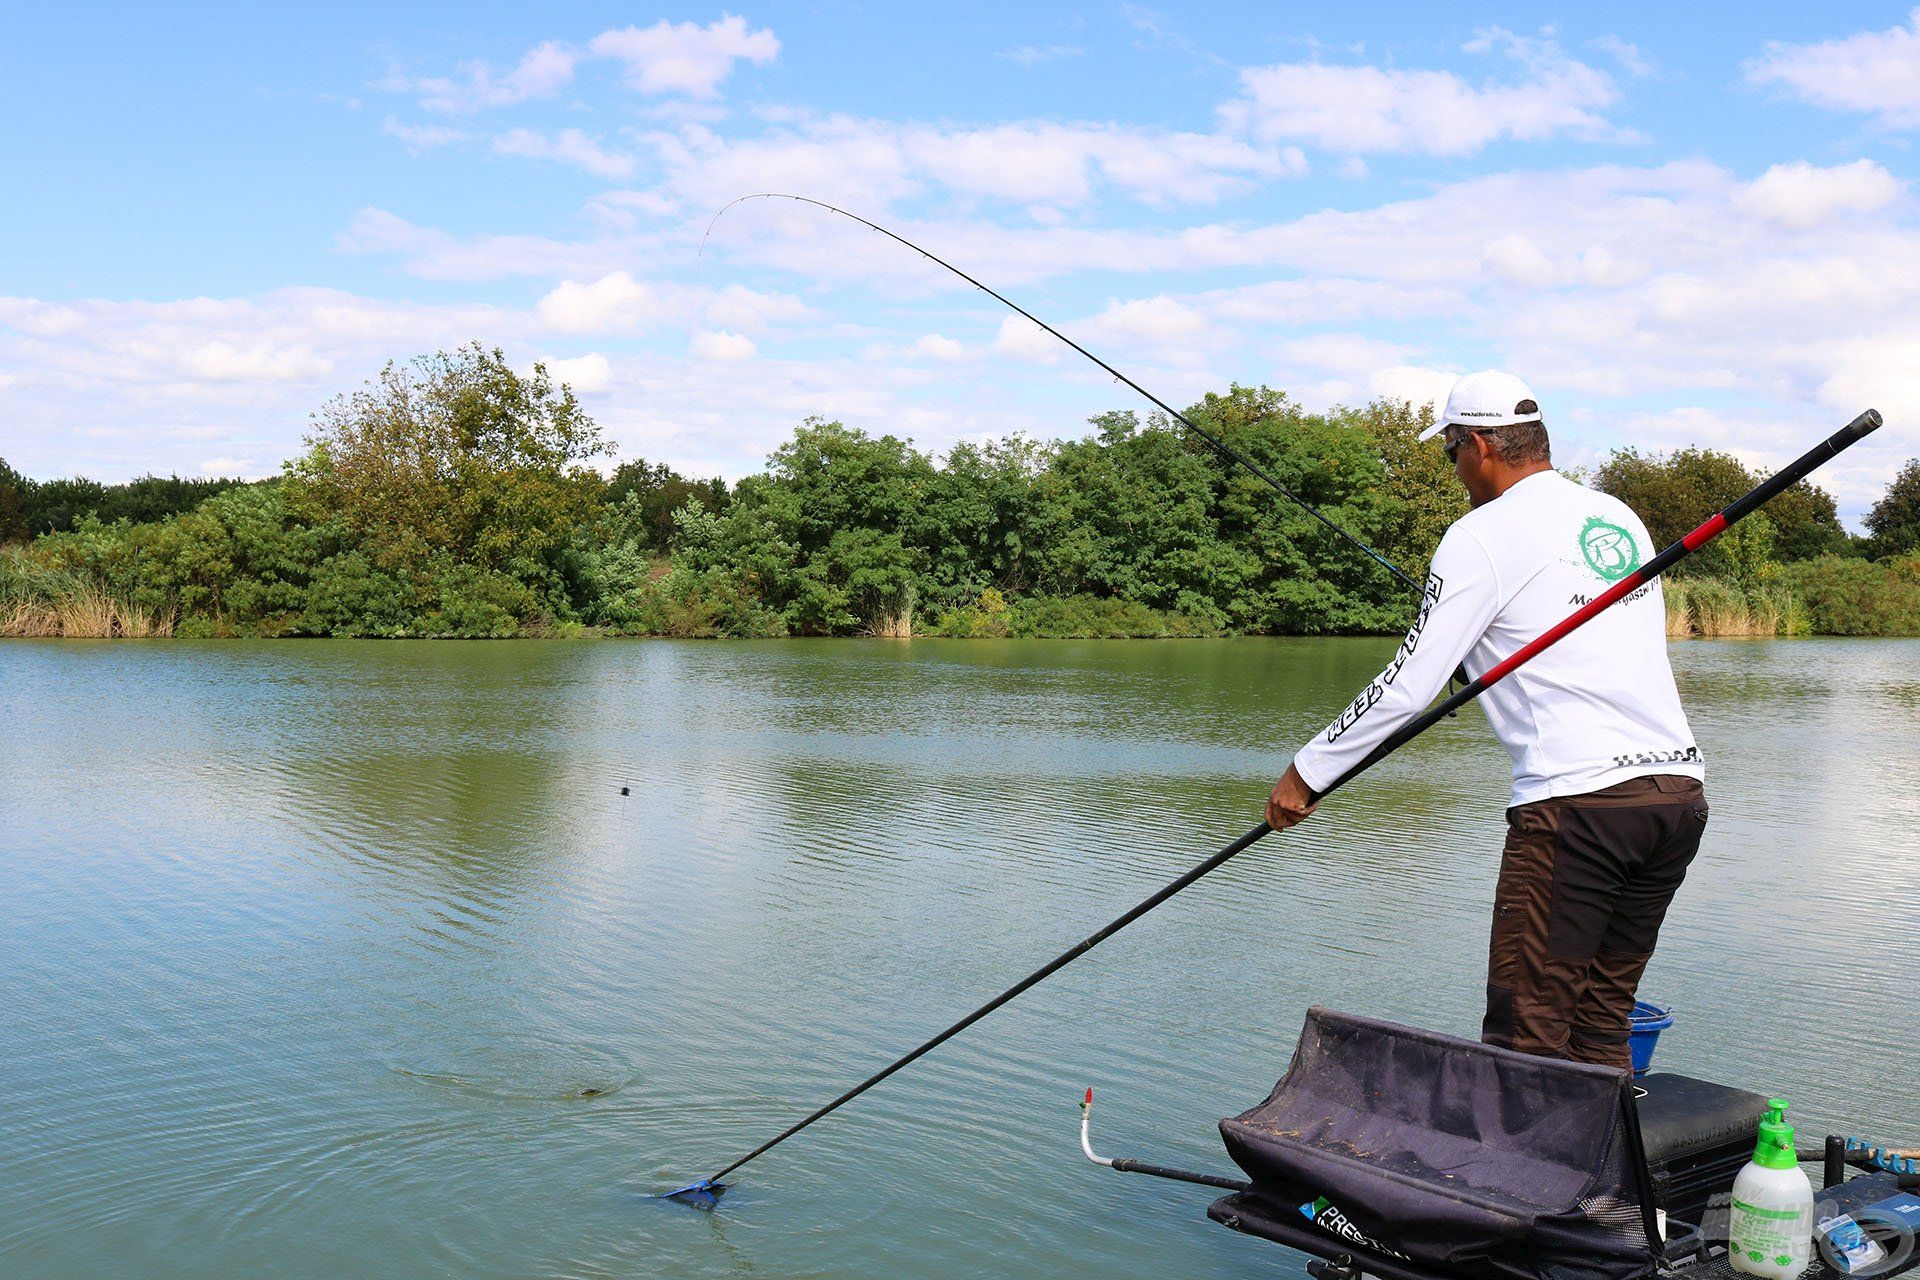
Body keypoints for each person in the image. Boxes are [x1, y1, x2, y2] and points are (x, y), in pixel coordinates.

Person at [1264, 371, 1707, 1070]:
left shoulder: (1480, 535)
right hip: (1674, 799)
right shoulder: (1614, 516)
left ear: (1478, 445)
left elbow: (1409, 686)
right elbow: (1576, 650)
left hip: (1577, 808)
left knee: (1527, 1034)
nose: (1455, 470)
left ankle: (1532, 1178)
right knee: (1600, 1021)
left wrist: (1308, 771)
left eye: (1450, 453)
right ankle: (1602, 1178)